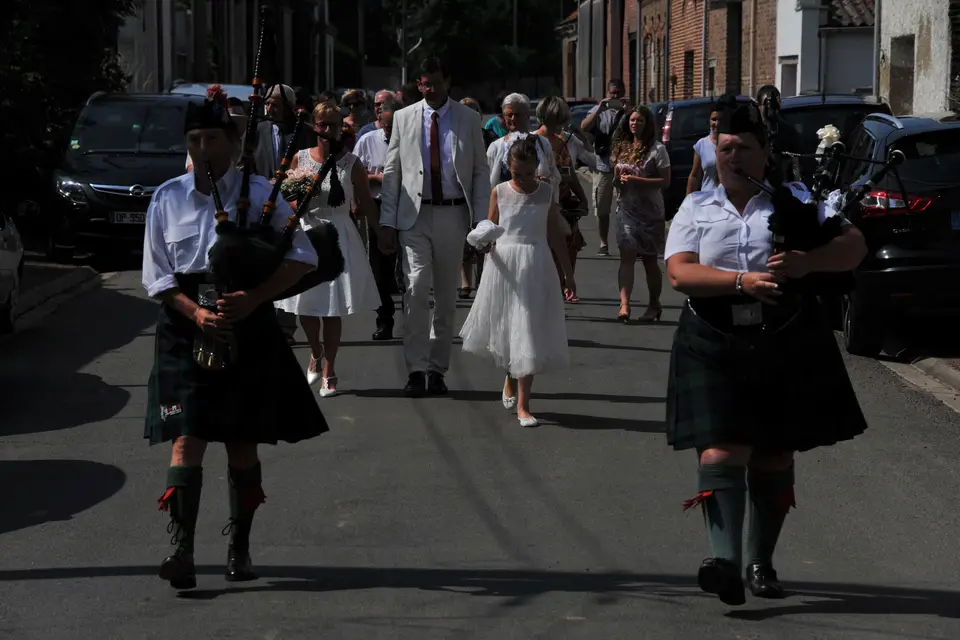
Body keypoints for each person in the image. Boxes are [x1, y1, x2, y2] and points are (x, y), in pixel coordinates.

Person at [663, 101, 869, 606]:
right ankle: (725, 563)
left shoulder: (795, 200)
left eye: (745, 148)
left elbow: (855, 246)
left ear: (765, 152)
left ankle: (760, 562)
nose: (734, 157)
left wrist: (806, 262)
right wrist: (738, 280)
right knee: (719, 450)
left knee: (774, 455)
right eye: (726, 148)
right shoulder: (696, 206)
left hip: (784, 338)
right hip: (712, 339)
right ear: (715, 149)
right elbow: (679, 272)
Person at [142, 86, 327, 591]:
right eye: (195, 139)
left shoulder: (263, 196)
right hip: (186, 327)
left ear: (231, 142)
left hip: (246, 324)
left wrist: (255, 298)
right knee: (187, 439)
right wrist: (196, 314)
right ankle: (181, 550)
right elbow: (157, 279)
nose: (202, 148)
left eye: (211, 138)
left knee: (242, 443)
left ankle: (239, 548)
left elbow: (303, 258)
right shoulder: (167, 197)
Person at [379, 55, 490, 397]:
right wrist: (386, 221)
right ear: (418, 85)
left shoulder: (468, 118)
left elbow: (479, 173)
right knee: (415, 287)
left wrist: (481, 220)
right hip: (414, 216)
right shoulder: (403, 117)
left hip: (453, 215)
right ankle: (414, 369)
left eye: (435, 82)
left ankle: (436, 369)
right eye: (424, 83)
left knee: (444, 297)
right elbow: (393, 172)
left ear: (447, 81)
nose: (430, 88)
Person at [459, 137, 575, 427]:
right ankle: (511, 372)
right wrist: (482, 244)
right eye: (515, 173)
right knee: (510, 326)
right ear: (507, 168)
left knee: (529, 327)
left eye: (527, 173)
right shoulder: (499, 192)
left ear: (537, 167)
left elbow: (555, 236)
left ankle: (524, 405)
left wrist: (568, 273)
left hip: (536, 263)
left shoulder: (546, 193)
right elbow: (490, 229)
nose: (521, 179)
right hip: (504, 264)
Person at [275, 102, 382, 397]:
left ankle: (329, 368)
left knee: (332, 308)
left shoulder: (352, 163)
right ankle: (315, 350)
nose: (328, 130)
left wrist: (382, 233)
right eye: (322, 124)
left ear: (341, 129)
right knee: (306, 304)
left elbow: (366, 202)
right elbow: (285, 199)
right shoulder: (299, 159)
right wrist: (296, 201)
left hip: (338, 236)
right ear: (314, 126)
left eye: (334, 125)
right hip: (307, 234)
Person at [611, 105, 671, 323]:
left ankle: (654, 304)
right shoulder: (622, 148)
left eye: (640, 121)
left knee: (649, 260)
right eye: (632, 120)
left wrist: (638, 180)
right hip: (626, 209)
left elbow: (665, 181)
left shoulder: (657, 150)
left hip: (650, 212)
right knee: (627, 255)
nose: (635, 124)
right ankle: (624, 305)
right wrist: (618, 179)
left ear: (648, 124)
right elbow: (616, 182)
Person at [535, 95, 597, 303]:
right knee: (549, 248)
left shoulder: (561, 141)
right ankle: (551, 287)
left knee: (570, 244)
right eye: (558, 121)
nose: (561, 125)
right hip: (541, 203)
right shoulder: (532, 142)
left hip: (563, 201)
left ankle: (565, 284)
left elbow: (569, 173)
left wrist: (582, 198)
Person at [354, 96, 400, 340]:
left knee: (408, 267)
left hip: (407, 206)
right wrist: (374, 181)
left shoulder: (412, 142)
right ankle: (385, 319)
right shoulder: (367, 141)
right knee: (379, 268)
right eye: (387, 126)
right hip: (378, 205)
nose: (390, 131)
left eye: (395, 126)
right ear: (379, 121)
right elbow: (354, 174)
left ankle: (415, 320)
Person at [580, 79, 630, 255]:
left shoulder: (629, 111)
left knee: (628, 207)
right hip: (603, 165)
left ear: (623, 92)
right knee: (602, 207)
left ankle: (628, 243)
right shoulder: (599, 110)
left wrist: (629, 109)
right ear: (607, 93)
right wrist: (600, 108)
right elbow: (583, 126)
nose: (615, 97)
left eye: (618, 93)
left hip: (625, 165)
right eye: (612, 93)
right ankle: (603, 243)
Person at [486, 93, 561, 198]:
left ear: (527, 116)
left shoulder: (542, 143)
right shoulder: (495, 147)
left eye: (517, 114)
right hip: (507, 209)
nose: (512, 118)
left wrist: (547, 181)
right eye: (509, 115)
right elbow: (487, 183)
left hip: (537, 207)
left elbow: (555, 177)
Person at [756, 85, 802, 185]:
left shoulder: (788, 131)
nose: (771, 110)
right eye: (766, 105)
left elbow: (796, 160)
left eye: (775, 105)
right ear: (759, 106)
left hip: (782, 183)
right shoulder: (753, 130)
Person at [685, 99, 729, 195]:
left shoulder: (731, 144)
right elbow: (695, 176)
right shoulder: (701, 144)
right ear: (709, 120)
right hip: (707, 197)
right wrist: (688, 200)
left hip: (727, 198)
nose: (717, 123)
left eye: (720, 120)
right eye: (714, 119)